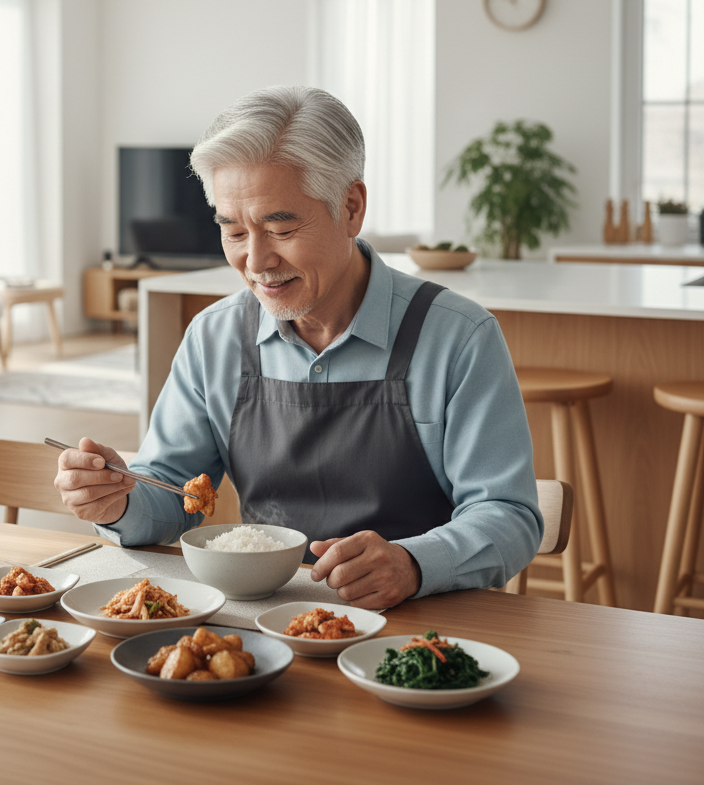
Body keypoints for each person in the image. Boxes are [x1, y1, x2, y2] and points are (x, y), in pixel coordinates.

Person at [55, 86, 543, 609]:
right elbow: (172, 489)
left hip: (418, 630)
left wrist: (414, 564)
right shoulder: (213, 338)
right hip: (264, 623)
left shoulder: (458, 337)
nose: (257, 261)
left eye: (280, 227)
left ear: (351, 208)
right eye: (234, 231)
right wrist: (118, 501)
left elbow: (508, 515)